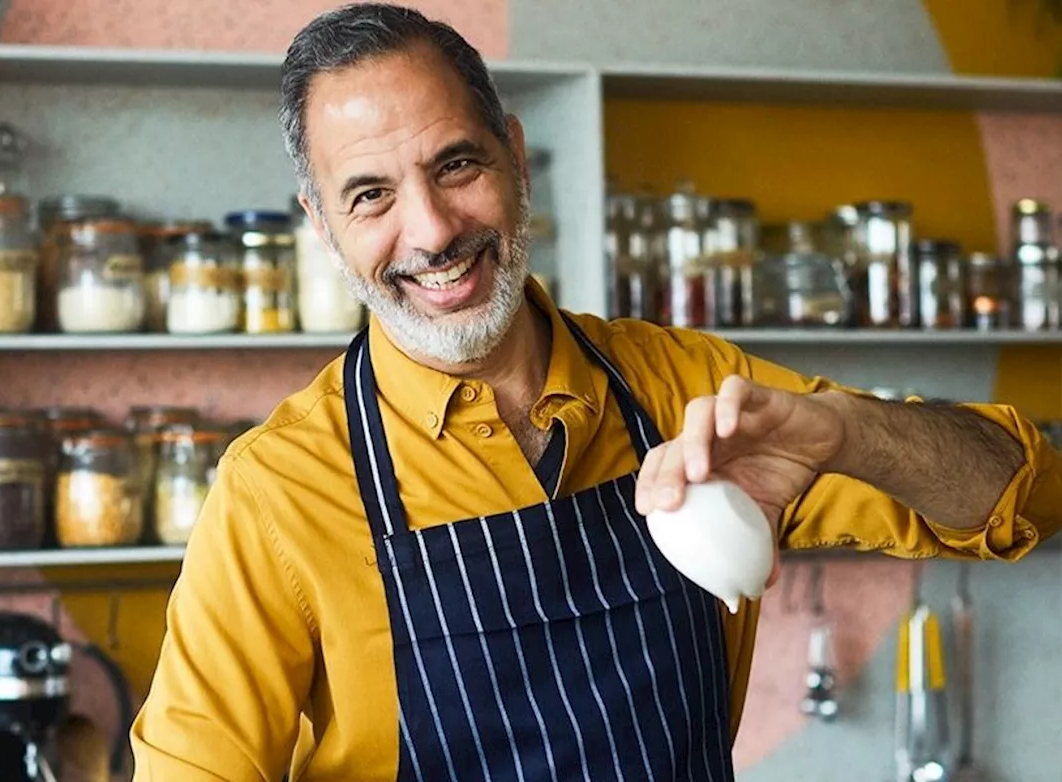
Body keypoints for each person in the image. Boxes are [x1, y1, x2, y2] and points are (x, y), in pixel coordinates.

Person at [130, 4, 1062, 780]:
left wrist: (846, 430)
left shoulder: (690, 387)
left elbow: (1029, 496)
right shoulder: (278, 490)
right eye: (370, 195)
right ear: (323, 227)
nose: (431, 230)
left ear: (517, 156)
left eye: (456, 164)